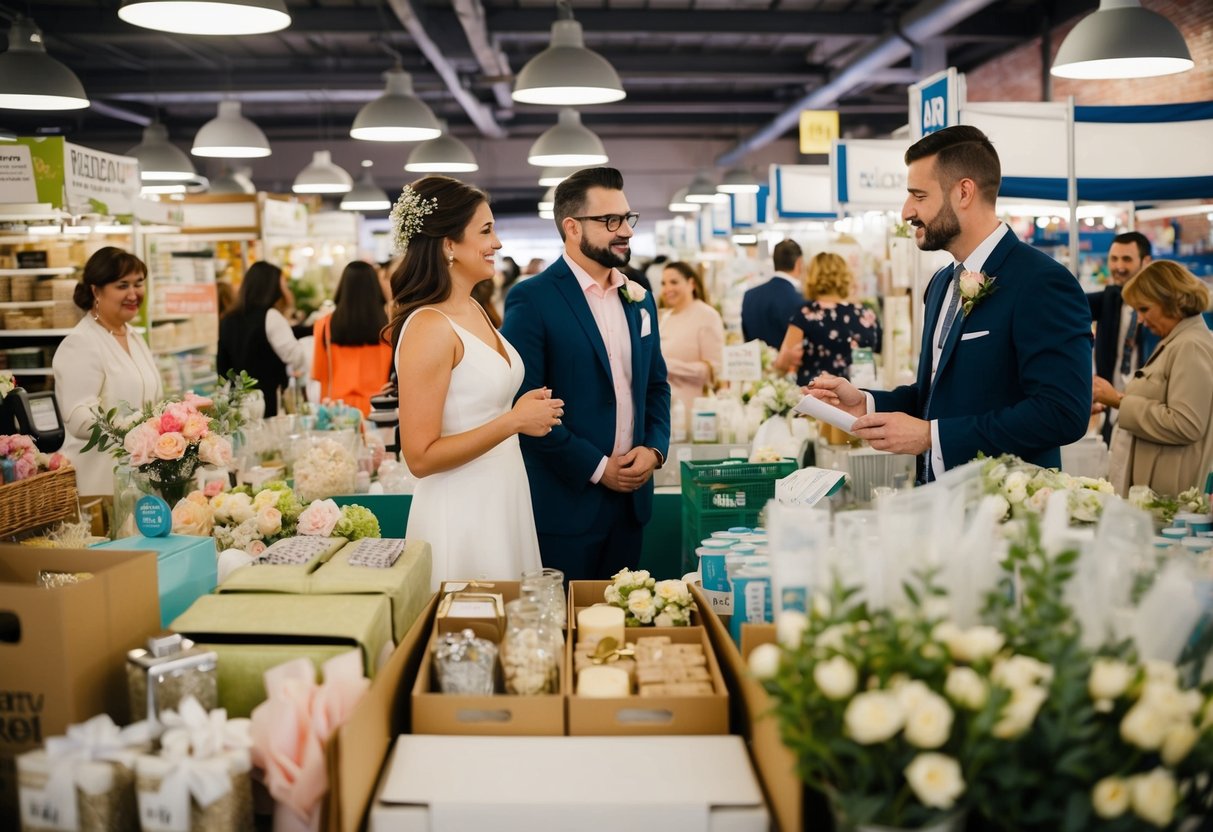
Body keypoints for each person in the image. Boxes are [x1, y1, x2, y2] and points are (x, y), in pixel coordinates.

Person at [807, 125, 1092, 481]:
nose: (906, 211)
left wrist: (931, 436)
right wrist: (865, 402)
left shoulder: (1042, 282)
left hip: (1008, 512)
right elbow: (936, 396)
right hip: (938, 505)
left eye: (919, 196)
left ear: (964, 192)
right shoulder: (942, 284)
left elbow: (1062, 413)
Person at [388, 176, 563, 590]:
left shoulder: (472, 308)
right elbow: (420, 456)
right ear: (449, 245)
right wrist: (513, 422)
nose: (498, 243)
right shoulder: (429, 327)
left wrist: (516, 407)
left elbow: (477, 400)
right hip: (461, 509)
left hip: (502, 494)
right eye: (486, 231)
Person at [501, 167, 671, 581]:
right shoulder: (532, 298)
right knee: (563, 630)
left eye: (628, 219)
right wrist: (598, 467)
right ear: (572, 228)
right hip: (566, 503)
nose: (625, 232)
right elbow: (525, 408)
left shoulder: (639, 298)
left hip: (632, 503)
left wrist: (653, 450)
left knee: (621, 629)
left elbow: (655, 386)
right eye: (610, 221)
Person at [1091, 261, 1213, 497]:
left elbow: (1186, 424)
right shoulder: (1177, 341)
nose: (1140, 320)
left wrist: (1118, 401)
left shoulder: (1190, 346)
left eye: (1144, 309)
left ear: (1172, 302)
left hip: (1170, 495)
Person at [53, 247, 163, 496]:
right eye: (122, 285)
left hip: (139, 479)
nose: (133, 294)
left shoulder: (133, 336)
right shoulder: (81, 343)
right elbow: (78, 419)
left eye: (138, 284)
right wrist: (133, 431)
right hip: (101, 485)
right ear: (95, 290)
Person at [774, 251, 882, 385]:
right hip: (859, 395)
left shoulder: (805, 314)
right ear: (845, 277)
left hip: (816, 397)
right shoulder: (867, 315)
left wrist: (779, 363)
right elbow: (877, 350)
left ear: (811, 277)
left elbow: (784, 362)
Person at [217, 261, 309, 418]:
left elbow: (222, 366)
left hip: (237, 405)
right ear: (272, 287)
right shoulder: (271, 316)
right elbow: (296, 357)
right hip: (267, 403)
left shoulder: (228, 319)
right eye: (284, 285)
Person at [1089, 231, 1152, 444]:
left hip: (1148, 409)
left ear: (1146, 261)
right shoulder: (1110, 298)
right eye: (1114, 259)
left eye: (1127, 259)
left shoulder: (1163, 308)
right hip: (1110, 407)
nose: (1119, 267)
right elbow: (1067, 304)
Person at [311, 261, 394, 416]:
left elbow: (319, 374)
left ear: (343, 287)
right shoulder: (389, 327)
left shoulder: (324, 325)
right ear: (374, 287)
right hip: (379, 408)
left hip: (338, 410)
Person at [659, 260, 724, 421]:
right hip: (661, 408)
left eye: (674, 282)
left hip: (692, 412)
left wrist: (665, 366)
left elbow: (713, 370)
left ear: (691, 283)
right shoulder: (664, 316)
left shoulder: (707, 315)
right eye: (664, 283)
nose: (667, 289)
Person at [740, 239, 805, 348]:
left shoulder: (750, 296)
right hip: (788, 364)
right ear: (799, 263)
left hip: (756, 363)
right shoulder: (801, 301)